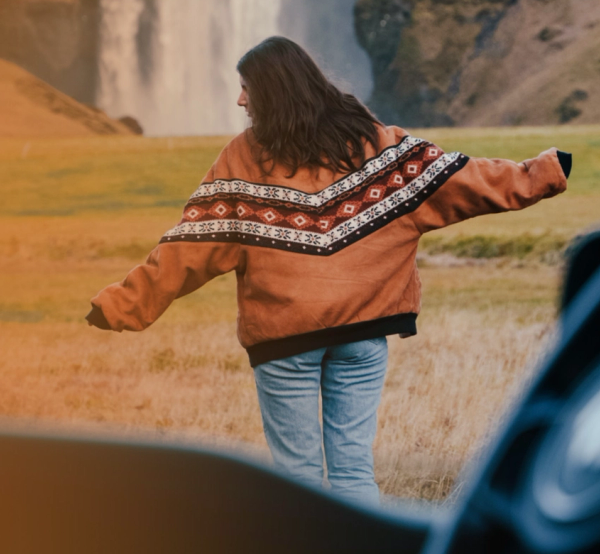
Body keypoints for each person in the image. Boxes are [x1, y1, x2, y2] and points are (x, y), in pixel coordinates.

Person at [87, 36, 572, 506]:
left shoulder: (243, 158)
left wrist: (123, 305)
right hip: (363, 335)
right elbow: (467, 179)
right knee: (353, 471)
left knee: (296, 481)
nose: (239, 100)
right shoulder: (380, 147)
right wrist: (543, 172)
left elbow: (190, 247)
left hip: (285, 341)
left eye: (246, 87)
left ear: (272, 91)